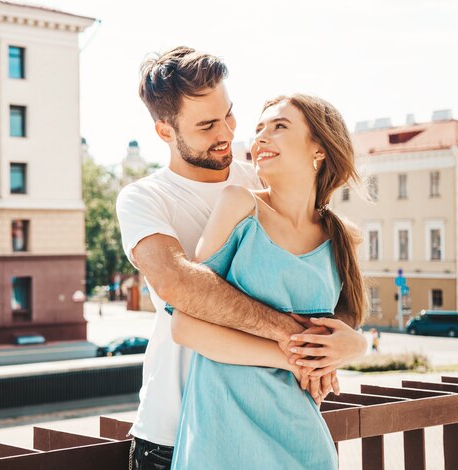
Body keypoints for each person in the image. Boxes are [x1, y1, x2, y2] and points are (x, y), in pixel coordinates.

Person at [116, 47, 366, 469]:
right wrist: (293, 342)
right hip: (172, 432)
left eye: (229, 114)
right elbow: (181, 286)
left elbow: (328, 297)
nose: (228, 133)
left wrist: (352, 344)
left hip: (276, 424)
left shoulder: (264, 182)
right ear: (165, 132)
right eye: (207, 125)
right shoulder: (145, 198)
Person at [170, 94, 367, 468]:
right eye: (258, 129)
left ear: (320, 149)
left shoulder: (342, 236)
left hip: (302, 441)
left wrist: (356, 347)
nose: (260, 137)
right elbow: (184, 326)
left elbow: (344, 333)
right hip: (223, 438)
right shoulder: (240, 206)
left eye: (279, 126)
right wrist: (292, 359)